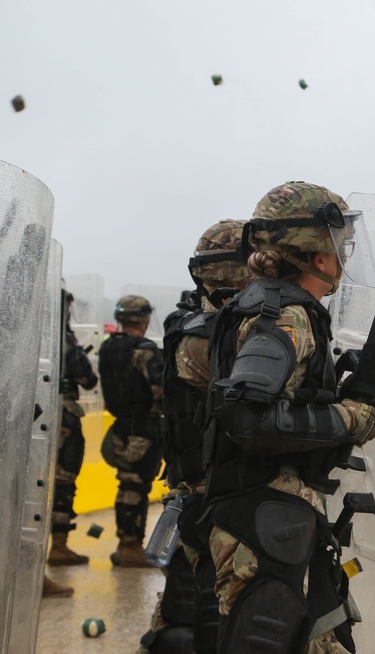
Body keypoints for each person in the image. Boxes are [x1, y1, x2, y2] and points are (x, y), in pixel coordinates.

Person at [203, 182, 375, 653]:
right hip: (259, 521)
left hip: (277, 514)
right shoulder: (284, 317)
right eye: (339, 241)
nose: (347, 253)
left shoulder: (278, 307)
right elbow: (247, 418)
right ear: (317, 253)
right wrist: (346, 420)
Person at [139, 220, 249, 653]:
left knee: (186, 609)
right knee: (218, 615)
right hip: (214, 498)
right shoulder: (210, 335)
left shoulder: (193, 322)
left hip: (196, 492)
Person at [98, 294, 164, 566]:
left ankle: (125, 543)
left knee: (126, 484)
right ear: (145, 319)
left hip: (121, 427)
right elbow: (160, 390)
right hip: (144, 428)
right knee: (137, 486)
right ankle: (132, 548)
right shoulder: (145, 350)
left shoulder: (108, 347)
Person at [46, 291, 99, 575]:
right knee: (64, 483)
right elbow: (88, 379)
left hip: (35, 418)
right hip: (64, 418)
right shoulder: (64, 340)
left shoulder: (31, 337)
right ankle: (59, 546)